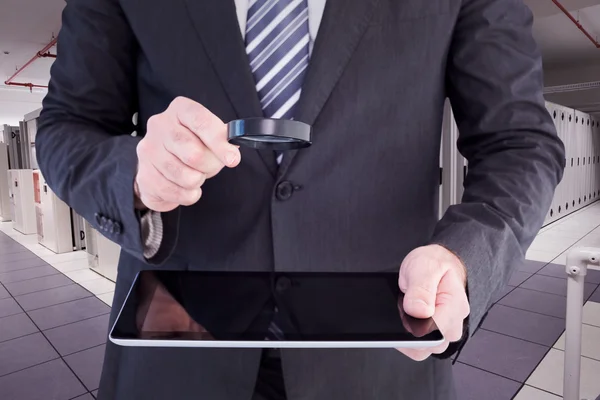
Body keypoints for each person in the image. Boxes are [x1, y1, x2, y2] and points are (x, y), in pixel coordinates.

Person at [35, 0, 565, 399]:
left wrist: (466, 255)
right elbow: (66, 127)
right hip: (177, 357)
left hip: (379, 360)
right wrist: (132, 174)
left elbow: (519, 143)